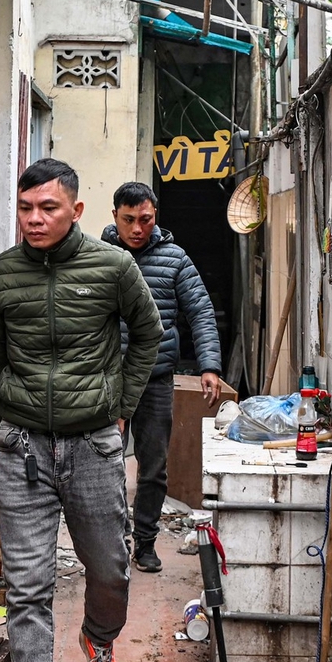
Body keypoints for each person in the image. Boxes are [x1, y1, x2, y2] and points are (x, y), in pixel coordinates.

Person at [0, 158, 164, 662]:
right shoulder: (0, 276)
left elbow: (149, 334)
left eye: (47, 209)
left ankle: (100, 641)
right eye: (26, 209)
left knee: (109, 567)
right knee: (26, 584)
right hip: (22, 447)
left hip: (93, 444)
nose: (34, 219)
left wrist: (122, 408)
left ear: (76, 211)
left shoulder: (113, 268)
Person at [101, 183, 223, 573]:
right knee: (104, 466)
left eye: (146, 220)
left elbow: (201, 312)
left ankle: (146, 542)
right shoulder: (98, 257)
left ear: (156, 217)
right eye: (129, 220)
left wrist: (209, 366)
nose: (138, 228)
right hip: (107, 381)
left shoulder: (175, 260)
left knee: (153, 467)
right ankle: (109, 544)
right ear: (115, 215)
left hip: (155, 380)